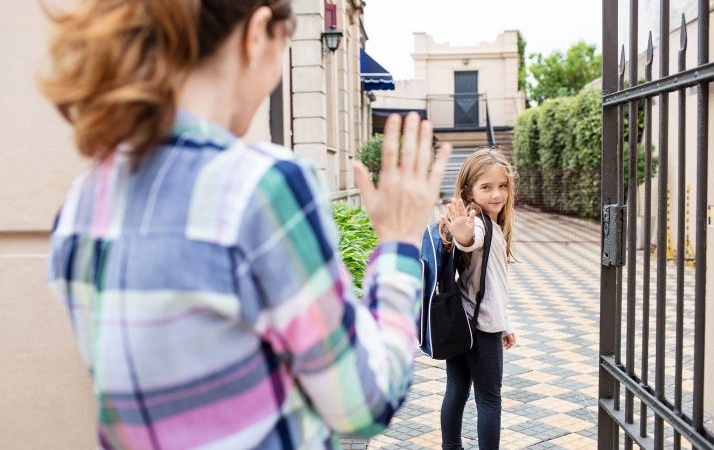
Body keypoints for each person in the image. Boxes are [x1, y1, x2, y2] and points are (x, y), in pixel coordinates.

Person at [40, 1, 452, 449]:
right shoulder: (262, 188)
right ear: (257, 34)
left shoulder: (83, 204)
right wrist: (399, 244)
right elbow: (364, 404)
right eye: (283, 48)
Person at [437, 148, 518, 450]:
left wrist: (505, 322)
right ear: (469, 191)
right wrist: (462, 234)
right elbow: (470, 240)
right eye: (486, 187)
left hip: (462, 319)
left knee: (457, 389)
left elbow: (488, 283)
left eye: (503, 186)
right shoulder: (480, 224)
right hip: (482, 329)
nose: (497, 194)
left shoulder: (491, 223)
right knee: (489, 399)